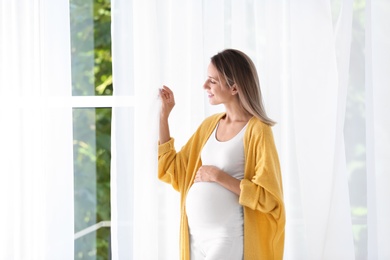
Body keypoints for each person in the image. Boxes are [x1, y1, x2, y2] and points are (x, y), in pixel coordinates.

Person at [158, 49, 285, 260]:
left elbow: (269, 198)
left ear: (234, 87)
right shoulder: (210, 125)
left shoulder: (258, 130)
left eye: (212, 81)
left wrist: (218, 176)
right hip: (195, 237)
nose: (205, 86)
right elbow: (174, 170)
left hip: (227, 236)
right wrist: (164, 116)